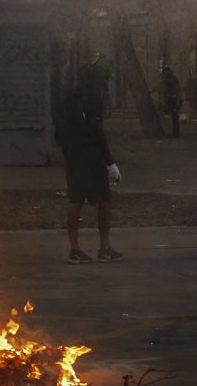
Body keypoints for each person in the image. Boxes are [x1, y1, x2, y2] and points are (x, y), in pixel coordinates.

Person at [55, 89, 123, 264]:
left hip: (74, 167)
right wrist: (110, 163)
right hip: (92, 165)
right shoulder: (91, 112)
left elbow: (60, 140)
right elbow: (98, 138)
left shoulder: (65, 117)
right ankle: (104, 248)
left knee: (75, 203)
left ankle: (75, 249)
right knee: (104, 202)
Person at [161, 66, 182, 138]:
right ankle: (174, 133)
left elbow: (178, 91)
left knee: (174, 117)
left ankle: (175, 134)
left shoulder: (173, 80)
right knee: (173, 117)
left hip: (174, 100)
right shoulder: (166, 81)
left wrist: (177, 102)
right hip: (170, 101)